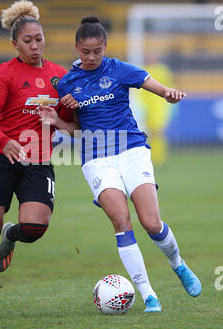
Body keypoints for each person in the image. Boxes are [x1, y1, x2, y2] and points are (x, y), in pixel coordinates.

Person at [39, 16, 201, 313]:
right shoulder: (67, 83)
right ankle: (149, 294)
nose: (91, 57)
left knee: (152, 223)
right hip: (97, 159)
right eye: (85, 52)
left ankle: (178, 264)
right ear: (76, 48)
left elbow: (156, 86)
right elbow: (76, 131)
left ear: (104, 47)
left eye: (97, 51)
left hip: (132, 150)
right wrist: (58, 120)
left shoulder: (119, 69)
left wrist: (169, 94)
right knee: (121, 222)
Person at [0, 0, 77, 310]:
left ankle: (12, 233)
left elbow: (73, 127)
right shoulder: (5, 74)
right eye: (27, 41)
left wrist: (65, 120)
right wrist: (4, 141)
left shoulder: (59, 76)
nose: (35, 45)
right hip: (1, 158)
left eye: (39, 39)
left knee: (36, 227)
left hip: (38, 162)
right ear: (15, 44)